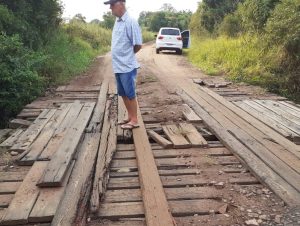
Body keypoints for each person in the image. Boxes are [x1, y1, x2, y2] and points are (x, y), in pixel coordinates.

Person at [104, 0, 142, 129]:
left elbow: (138, 45)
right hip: (118, 66)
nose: (110, 8)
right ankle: (130, 117)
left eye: (112, 5)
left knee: (130, 93)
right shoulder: (117, 21)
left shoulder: (131, 21)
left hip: (127, 66)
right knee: (123, 93)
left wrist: (127, 56)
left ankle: (135, 120)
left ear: (120, 3)